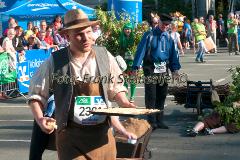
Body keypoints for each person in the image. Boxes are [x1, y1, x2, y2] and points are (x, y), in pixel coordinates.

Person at [28, 9, 136, 160]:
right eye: (79, 34)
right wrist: (40, 119)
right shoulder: (56, 61)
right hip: (71, 139)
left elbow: (116, 86)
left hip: (102, 140)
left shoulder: (104, 55)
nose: (86, 38)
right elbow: (36, 95)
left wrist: (123, 102)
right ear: (67, 36)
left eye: (89, 31)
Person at [132, 13, 181, 130]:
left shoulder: (169, 37)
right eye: (163, 24)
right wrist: (135, 67)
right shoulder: (149, 35)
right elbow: (141, 51)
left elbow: (173, 55)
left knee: (162, 95)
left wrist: (175, 70)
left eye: (167, 25)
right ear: (158, 22)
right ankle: (151, 120)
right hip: (150, 68)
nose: (165, 26)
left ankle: (160, 120)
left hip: (164, 68)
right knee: (151, 95)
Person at [119, 23, 137, 102]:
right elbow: (119, 49)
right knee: (125, 79)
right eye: (126, 29)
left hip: (133, 61)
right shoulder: (121, 38)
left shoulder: (135, 38)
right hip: (124, 61)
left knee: (133, 79)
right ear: (123, 30)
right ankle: (125, 96)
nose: (127, 30)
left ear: (131, 30)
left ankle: (132, 96)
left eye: (129, 29)